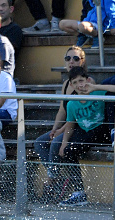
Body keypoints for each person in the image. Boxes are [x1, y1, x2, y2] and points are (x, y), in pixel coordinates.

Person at [57, 67, 115, 207]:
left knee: (110, 99)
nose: (80, 85)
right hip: (88, 133)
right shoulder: (71, 103)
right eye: (75, 82)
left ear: (87, 80)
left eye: (81, 80)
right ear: (71, 85)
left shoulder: (97, 92)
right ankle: (79, 193)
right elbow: (70, 125)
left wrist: (94, 87)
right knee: (68, 151)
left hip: (103, 130)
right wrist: (64, 143)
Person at [33, 46, 86, 201]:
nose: (71, 62)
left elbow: (77, 117)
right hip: (67, 126)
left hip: (81, 127)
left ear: (82, 61)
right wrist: (54, 128)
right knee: (40, 142)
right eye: (68, 58)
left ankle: (51, 181)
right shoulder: (66, 84)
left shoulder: (84, 82)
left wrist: (60, 131)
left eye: (76, 58)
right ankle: (56, 176)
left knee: (57, 142)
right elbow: (62, 111)